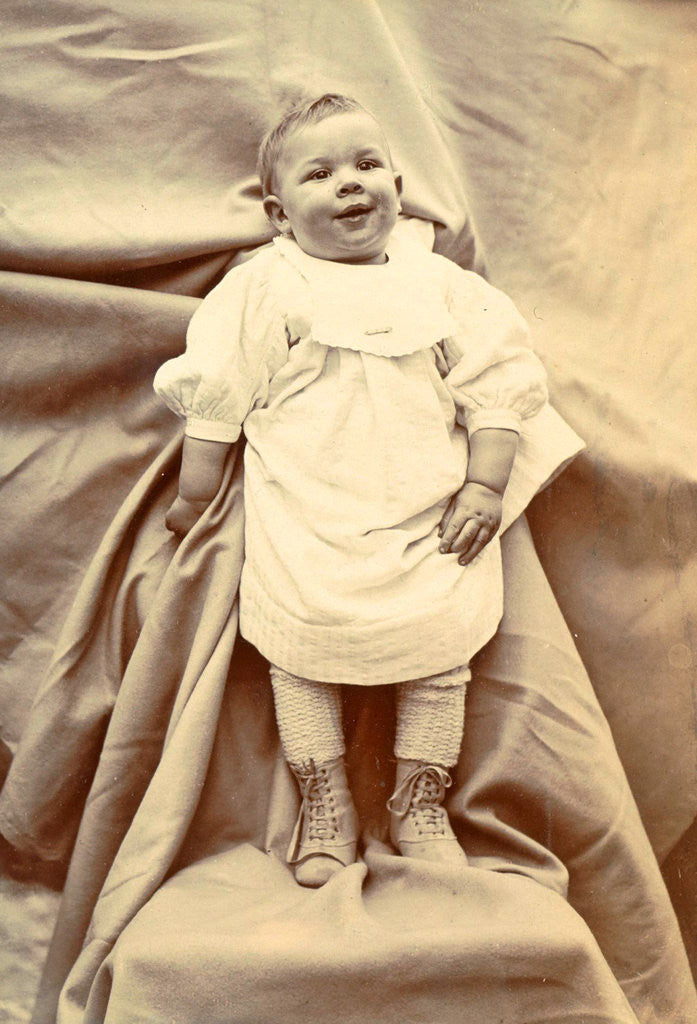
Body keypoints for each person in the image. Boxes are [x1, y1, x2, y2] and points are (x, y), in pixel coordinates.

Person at [154, 93, 582, 888]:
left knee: (438, 652)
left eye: (365, 164)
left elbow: (497, 382)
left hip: (424, 512)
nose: (350, 183)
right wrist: (194, 494)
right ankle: (325, 798)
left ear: (396, 180)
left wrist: (484, 487)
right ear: (280, 215)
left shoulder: (440, 284)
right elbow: (217, 393)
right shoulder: (266, 289)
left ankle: (417, 799)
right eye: (320, 174)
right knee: (301, 655)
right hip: (309, 518)